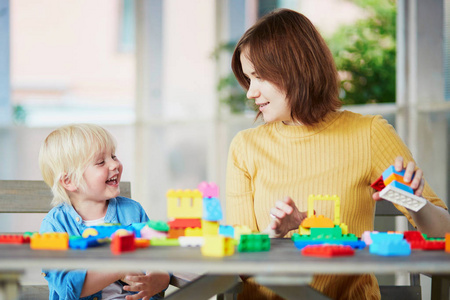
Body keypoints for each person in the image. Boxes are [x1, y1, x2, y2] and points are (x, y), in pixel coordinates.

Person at [225, 8, 450, 300]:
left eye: (259, 77)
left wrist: (415, 203)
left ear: (296, 68)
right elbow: (234, 267)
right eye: (247, 79)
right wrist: (274, 235)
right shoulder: (245, 147)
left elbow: (444, 240)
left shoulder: (369, 133)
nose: (250, 93)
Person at [39, 123, 170, 300]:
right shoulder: (55, 225)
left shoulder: (132, 211)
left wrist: (159, 278)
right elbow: (67, 287)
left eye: (113, 156)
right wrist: (117, 269)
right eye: (101, 162)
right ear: (69, 181)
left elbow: (159, 258)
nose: (115, 164)